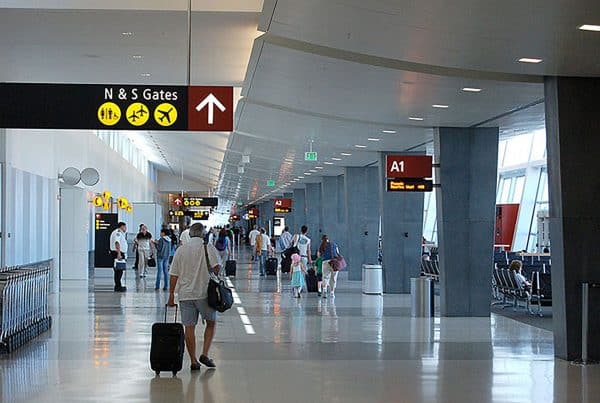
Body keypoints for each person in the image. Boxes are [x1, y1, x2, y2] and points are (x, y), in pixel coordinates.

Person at [168, 223, 221, 371]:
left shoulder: (180, 250)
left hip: (185, 294)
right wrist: (210, 272)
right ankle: (204, 353)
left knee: (189, 327)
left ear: (190, 234)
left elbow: (174, 274)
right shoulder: (208, 248)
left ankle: (193, 361)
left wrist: (171, 295)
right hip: (204, 294)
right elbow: (217, 267)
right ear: (203, 234)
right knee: (211, 323)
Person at [109, 222, 128, 292]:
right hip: (117, 253)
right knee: (119, 270)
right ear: (122, 226)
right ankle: (118, 286)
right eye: (125, 227)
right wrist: (119, 253)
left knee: (118, 270)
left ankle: (118, 285)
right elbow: (117, 243)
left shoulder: (117, 232)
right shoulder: (118, 233)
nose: (126, 228)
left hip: (116, 252)